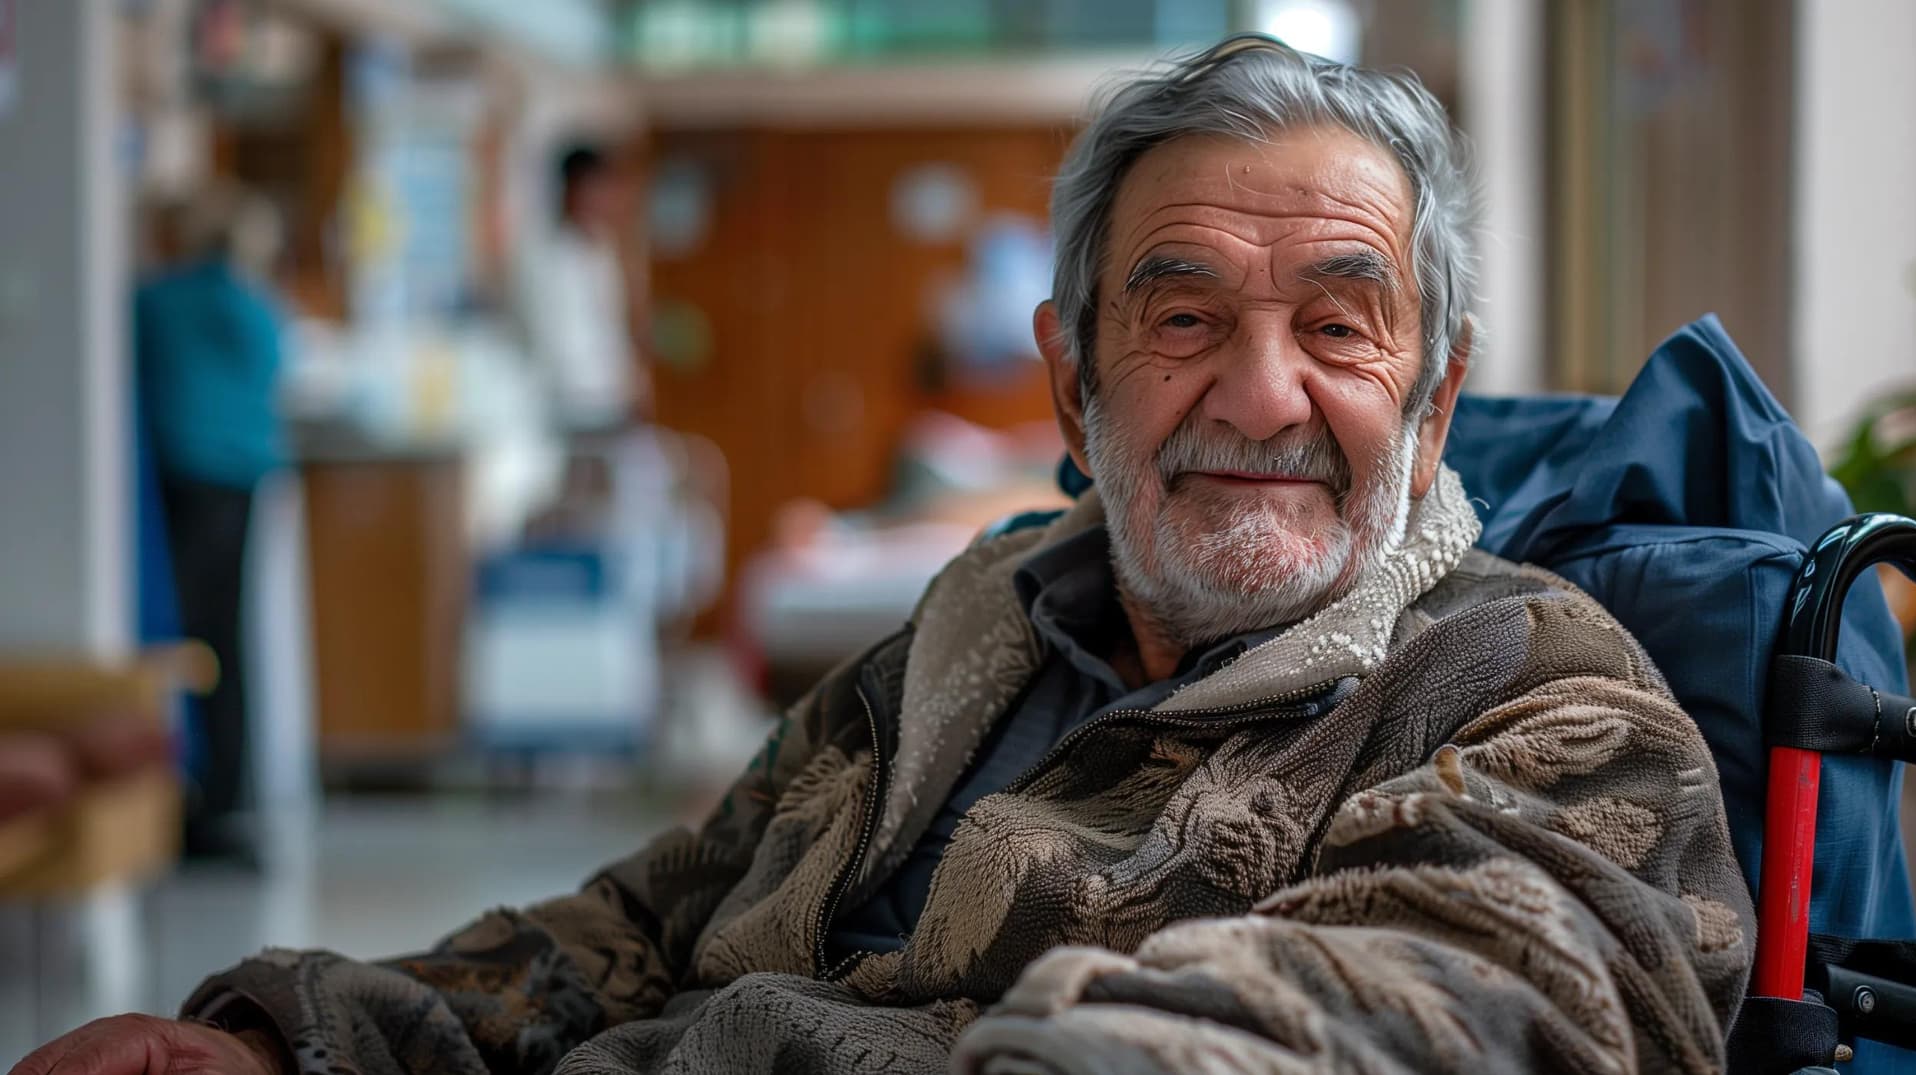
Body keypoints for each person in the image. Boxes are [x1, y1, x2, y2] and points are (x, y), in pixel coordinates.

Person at [16, 35, 1753, 1075]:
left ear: (1433, 396)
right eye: (1184, 312)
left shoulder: (1537, 697)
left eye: (1341, 323)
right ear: (1071, 377)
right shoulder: (966, 636)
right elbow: (640, 931)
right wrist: (283, 1034)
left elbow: (1474, 1007)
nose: (1259, 388)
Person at [132, 184, 287, 867]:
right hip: (241, 480)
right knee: (228, 640)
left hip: (181, 478)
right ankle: (229, 799)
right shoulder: (251, 306)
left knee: (189, 642)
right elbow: (276, 370)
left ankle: (201, 802)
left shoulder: (155, 300)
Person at [519, 144, 649, 433]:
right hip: (571, 408)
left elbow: (611, 329)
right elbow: (557, 343)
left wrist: (630, 382)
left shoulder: (602, 251)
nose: (609, 200)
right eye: (599, 189)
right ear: (574, 189)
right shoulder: (548, 258)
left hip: (612, 403)